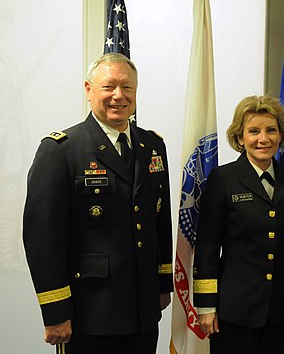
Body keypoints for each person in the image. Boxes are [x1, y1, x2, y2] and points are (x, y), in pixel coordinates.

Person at [23, 53, 173, 354]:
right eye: (109, 87)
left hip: (142, 311)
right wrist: (55, 311)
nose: (119, 96)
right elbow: (42, 238)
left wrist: (162, 282)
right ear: (89, 89)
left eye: (127, 88)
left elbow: (160, 221)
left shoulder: (152, 146)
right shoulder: (62, 151)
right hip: (89, 313)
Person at [192, 95, 284, 354]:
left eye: (271, 130)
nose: (263, 139)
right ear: (240, 138)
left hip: (281, 308)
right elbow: (207, 247)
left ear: (281, 135)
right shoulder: (223, 179)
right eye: (254, 131)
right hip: (236, 310)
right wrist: (205, 305)